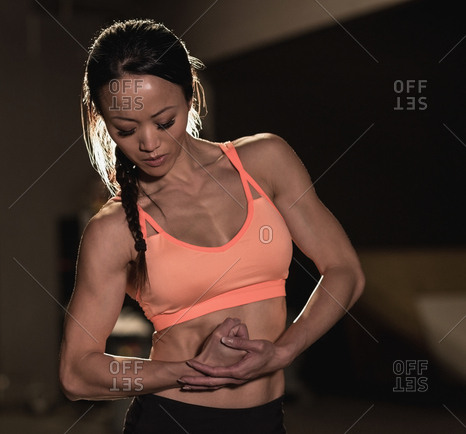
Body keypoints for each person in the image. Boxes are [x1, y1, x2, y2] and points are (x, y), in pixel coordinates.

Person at [59, 18, 365, 434]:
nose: (149, 144)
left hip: (265, 420)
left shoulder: (266, 162)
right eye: (126, 130)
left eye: (164, 121)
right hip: (171, 419)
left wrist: (284, 350)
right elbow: (77, 373)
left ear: (191, 95)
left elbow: (344, 269)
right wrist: (190, 370)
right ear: (104, 122)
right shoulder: (112, 230)